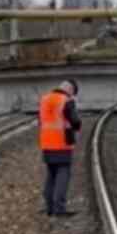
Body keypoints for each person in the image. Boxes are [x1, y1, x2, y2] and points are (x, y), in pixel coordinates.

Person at [39, 79, 82, 217]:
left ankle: (49, 207)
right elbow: (75, 121)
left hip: (46, 143)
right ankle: (59, 209)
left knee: (51, 174)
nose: (72, 96)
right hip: (62, 144)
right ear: (70, 90)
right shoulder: (66, 101)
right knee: (63, 175)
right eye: (73, 93)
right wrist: (77, 127)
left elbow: (41, 121)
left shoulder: (45, 99)